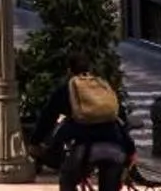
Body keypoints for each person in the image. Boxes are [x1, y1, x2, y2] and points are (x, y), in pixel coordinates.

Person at [43, 49, 135, 191]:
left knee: (67, 178)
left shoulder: (66, 89)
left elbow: (47, 117)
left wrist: (38, 144)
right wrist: (130, 150)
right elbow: (120, 118)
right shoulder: (102, 87)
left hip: (85, 151)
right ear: (90, 68)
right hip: (115, 149)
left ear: (69, 70)